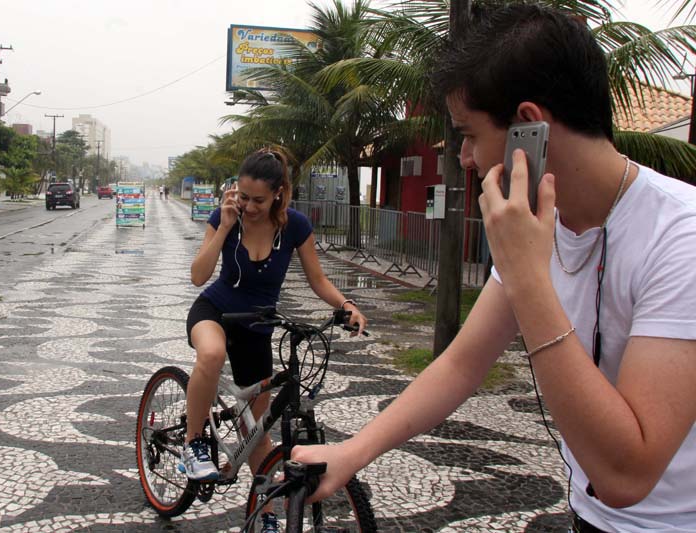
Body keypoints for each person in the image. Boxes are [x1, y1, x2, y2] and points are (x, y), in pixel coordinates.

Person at [293, 5, 696, 532]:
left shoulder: (681, 237)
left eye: (469, 133)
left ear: (529, 127)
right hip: (586, 517)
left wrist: (527, 277)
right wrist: (354, 450)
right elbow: (461, 365)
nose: (463, 156)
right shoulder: (534, 227)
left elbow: (626, 476)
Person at [183, 148, 367, 527]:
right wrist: (223, 227)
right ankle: (194, 444)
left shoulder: (295, 226)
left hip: (257, 326)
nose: (249, 206)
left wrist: (346, 304)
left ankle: (266, 516)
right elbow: (199, 275)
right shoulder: (225, 217)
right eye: (243, 197)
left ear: (279, 193)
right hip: (214, 311)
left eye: (258, 200)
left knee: (257, 430)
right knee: (212, 355)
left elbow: (317, 280)